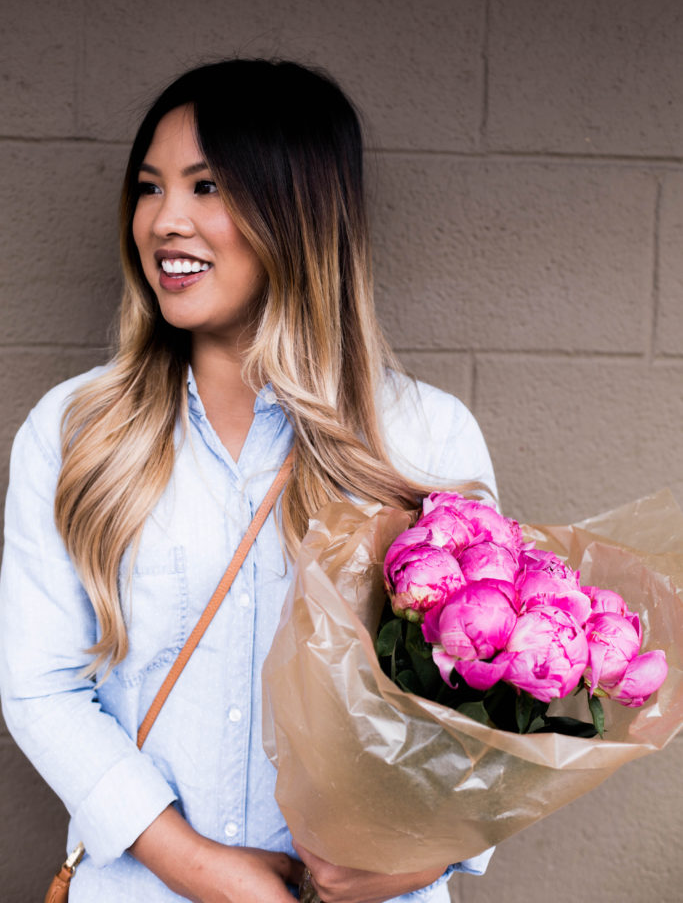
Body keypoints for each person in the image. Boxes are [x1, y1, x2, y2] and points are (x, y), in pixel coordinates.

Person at [0, 59, 496, 903]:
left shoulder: (423, 435)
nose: (164, 221)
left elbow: (482, 699)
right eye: (150, 189)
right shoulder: (76, 430)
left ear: (299, 213)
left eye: (207, 187)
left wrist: (422, 860)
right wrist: (201, 870)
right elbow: (40, 685)